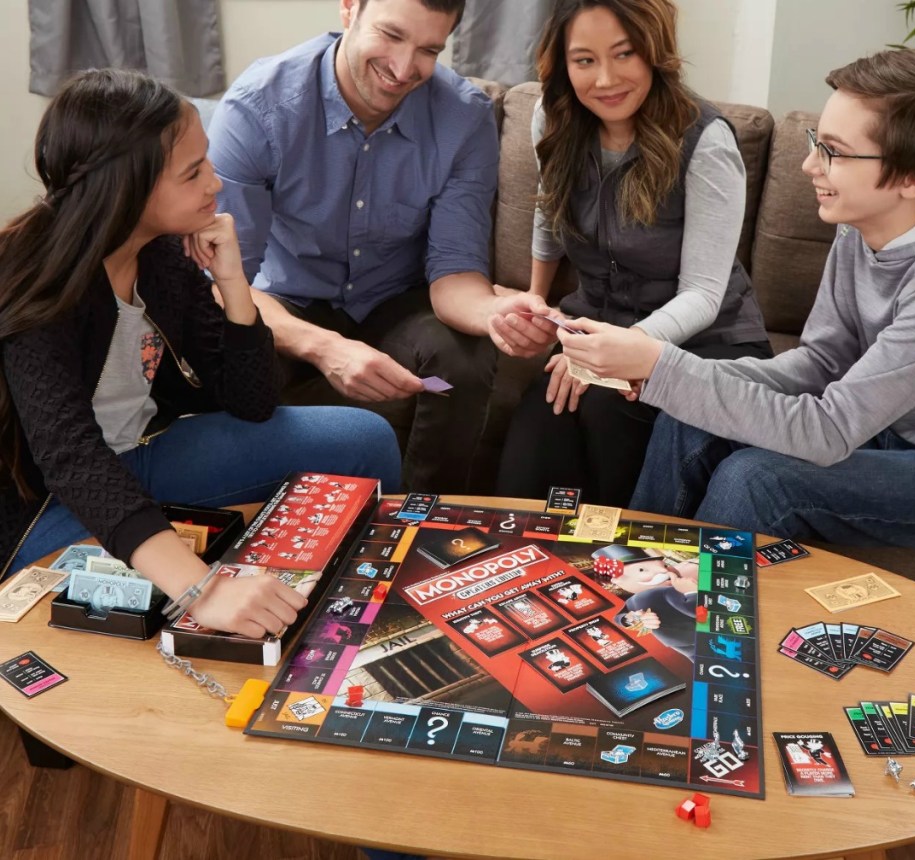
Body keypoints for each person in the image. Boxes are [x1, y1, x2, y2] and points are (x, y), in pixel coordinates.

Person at [558, 48, 915, 549]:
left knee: (756, 478)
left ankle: (690, 619)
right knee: (687, 410)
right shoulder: (864, 220)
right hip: (882, 423)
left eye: (833, 152)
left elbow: (828, 428)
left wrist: (665, 367)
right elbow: (824, 361)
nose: (808, 166)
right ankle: (632, 576)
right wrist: (660, 372)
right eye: (815, 143)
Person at [0, 69, 402, 638]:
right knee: (139, 607)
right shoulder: (34, 278)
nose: (216, 183)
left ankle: (352, 620)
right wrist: (204, 589)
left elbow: (252, 401)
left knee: (366, 441)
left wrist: (233, 284)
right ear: (127, 188)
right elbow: (70, 458)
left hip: (148, 454)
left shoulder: (163, 257)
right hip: (45, 504)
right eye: (194, 172)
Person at [207, 0, 556, 494]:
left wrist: (498, 315)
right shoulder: (258, 108)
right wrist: (326, 348)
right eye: (391, 35)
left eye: (428, 49)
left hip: (398, 303)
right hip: (286, 300)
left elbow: (455, 270)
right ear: (349, 9)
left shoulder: (463, 117)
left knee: (464, 357)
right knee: (235, 355)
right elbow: (226, 282)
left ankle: (427, 521)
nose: (402, 68)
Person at [495, 0, 770, 508]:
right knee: (541, 417)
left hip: (706, 343)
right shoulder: (552, 117)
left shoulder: (706, 141)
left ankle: (626, 573)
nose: (605, 79)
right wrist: (536, 295)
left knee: (606, 409)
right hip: (600, 325)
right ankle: (525, 570)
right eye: (584, 60)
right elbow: (549, 208)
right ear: (562, 63)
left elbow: (705, 295)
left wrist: (617, 355)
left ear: (654, 50)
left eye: (624, 54)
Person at [591, 545, 699, 659]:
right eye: (642, 570)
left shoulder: (670, 591)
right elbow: (619, 618)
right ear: (619, 580)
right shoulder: (662, 593)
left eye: (665, 566)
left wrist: (691, 592)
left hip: (687, 638)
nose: (663, 570)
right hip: (691, 638)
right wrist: (633, 619)